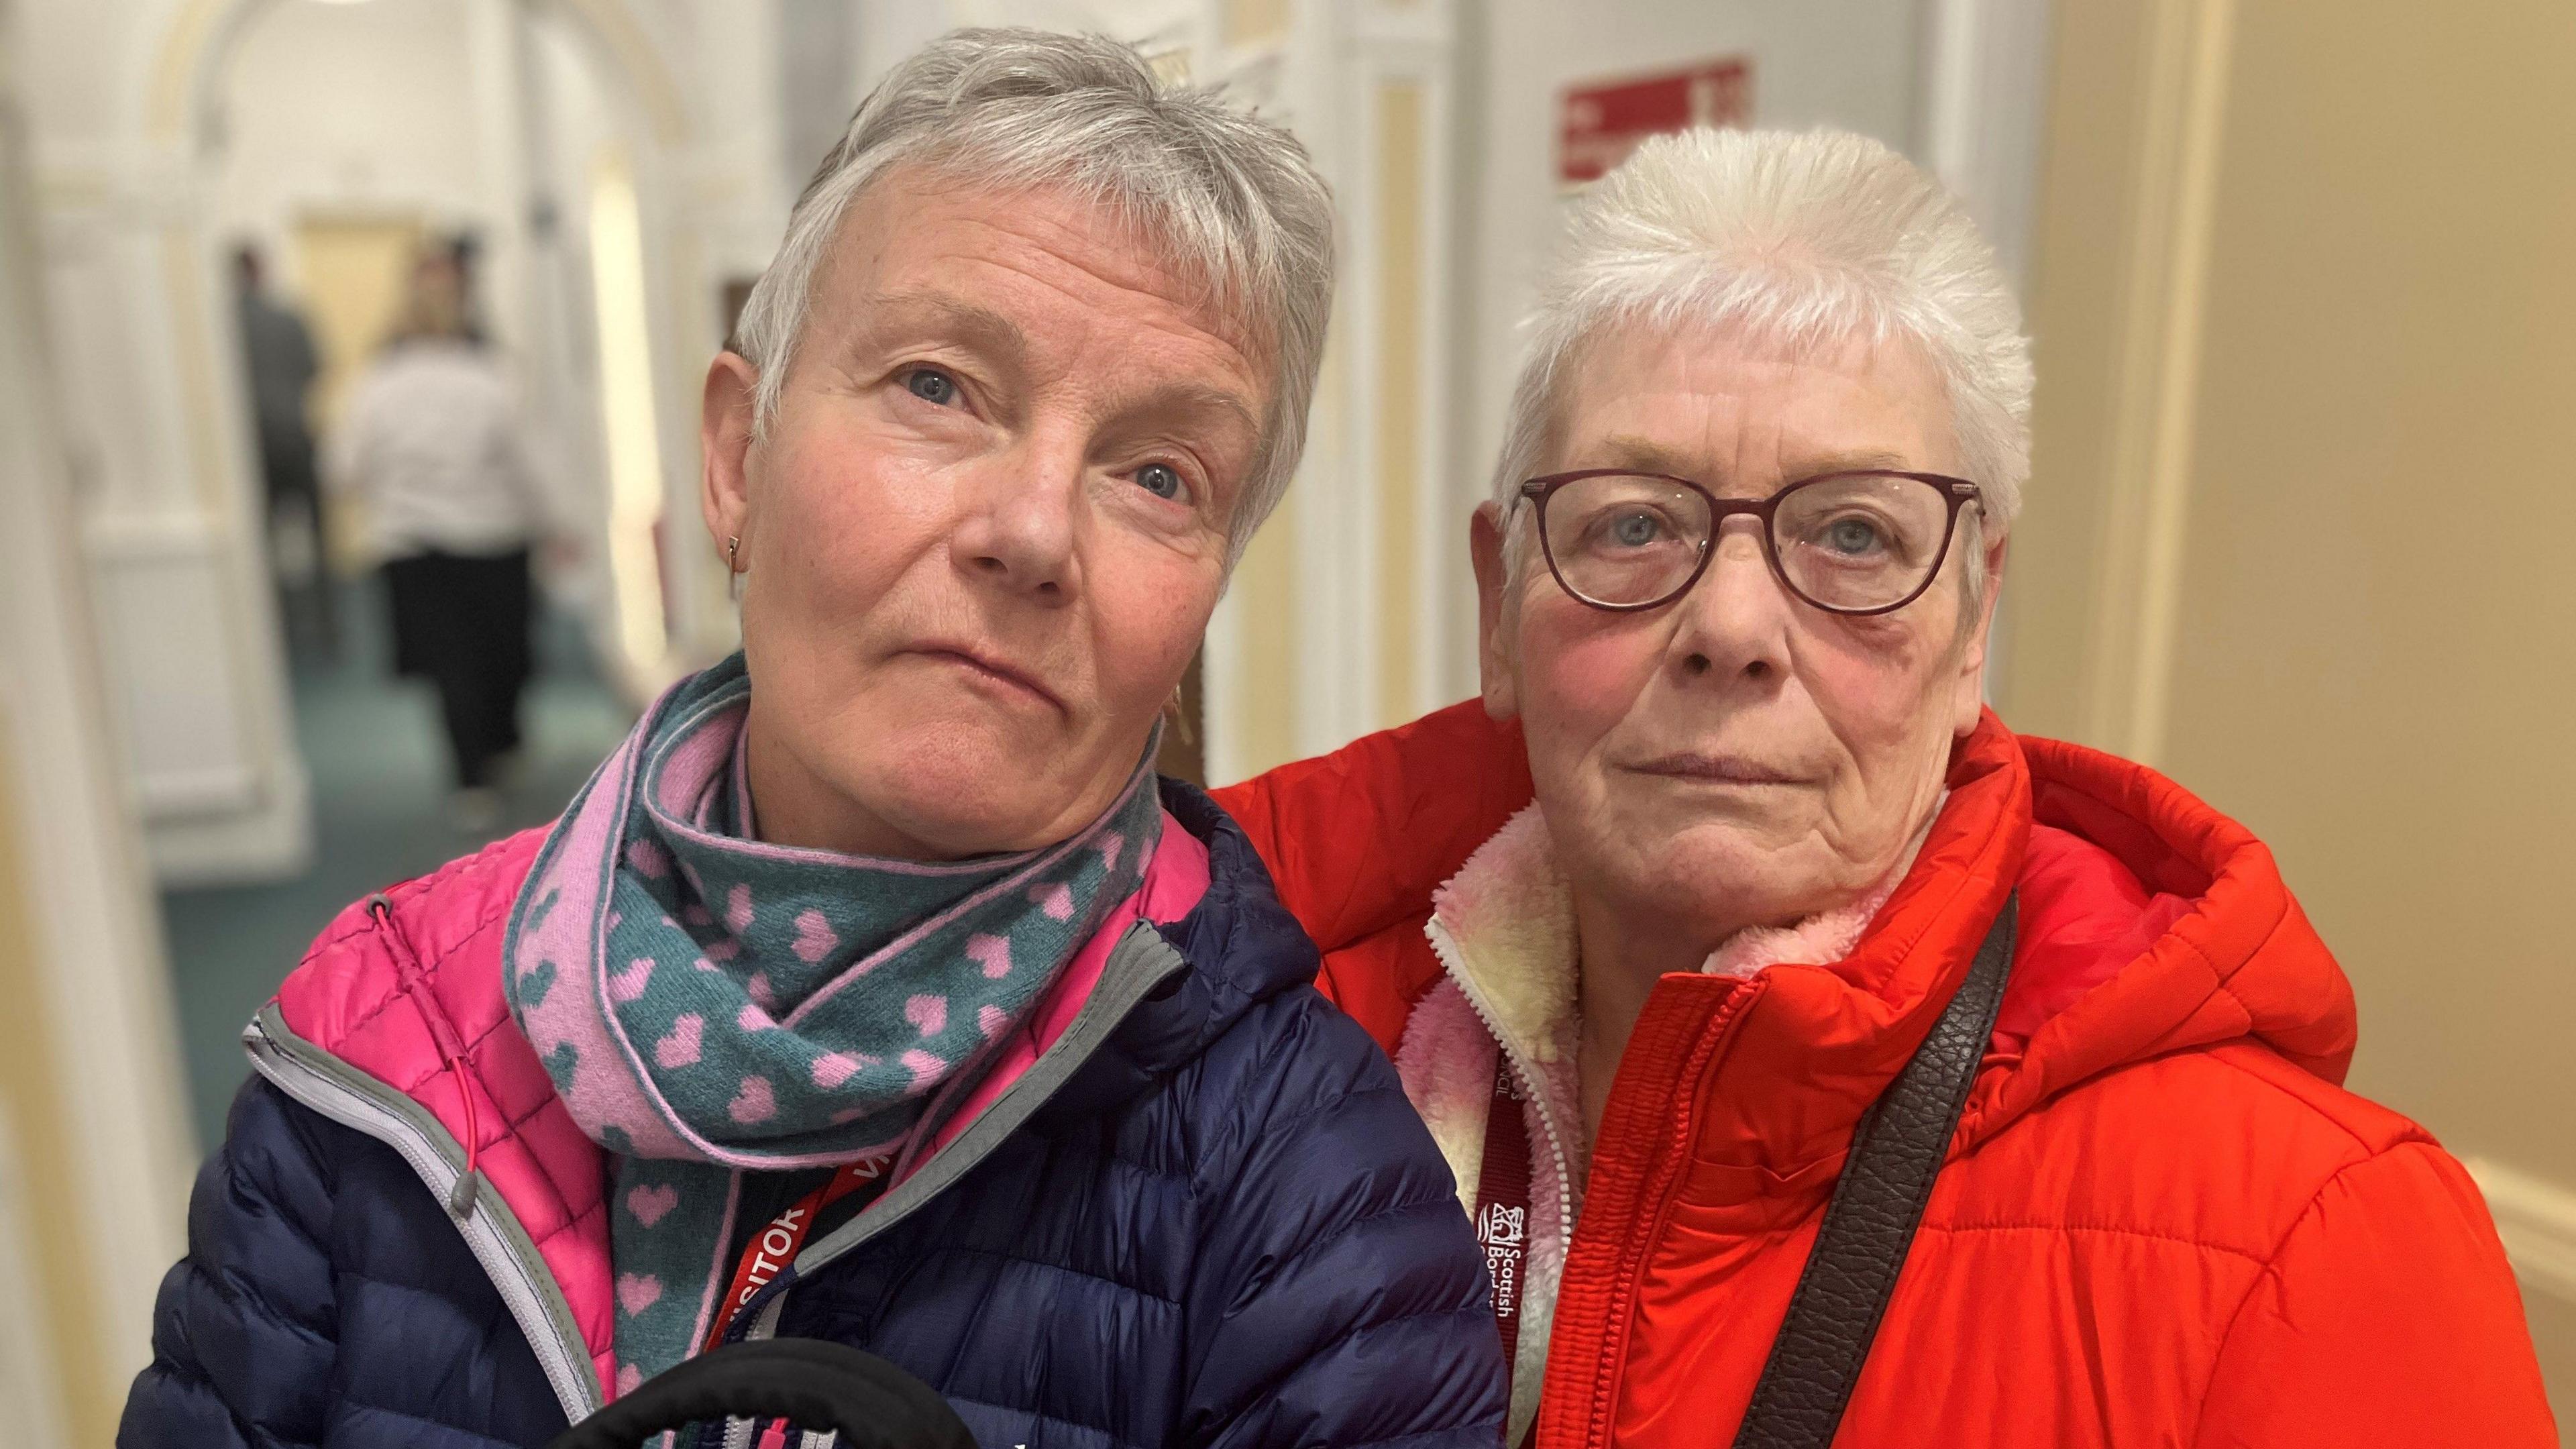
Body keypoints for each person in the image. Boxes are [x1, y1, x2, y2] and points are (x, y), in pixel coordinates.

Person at [120, 30, 1502, 1449]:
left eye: (1160, 475)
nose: (1033, 533)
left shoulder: (1318, 1214)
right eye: (938, 386)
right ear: (736, 459)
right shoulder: (373, 1045)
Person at [1217, 127, 2560, 1447]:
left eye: (1857, 532)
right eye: (1633, 521)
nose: (1731, 625)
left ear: (1975, 624)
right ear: (1500, 610)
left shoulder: (2313, 1250)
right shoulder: (1237, 1064)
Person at [327, 245, 555, 831]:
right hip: (495, 538)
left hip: (413, 545)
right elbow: (528, 462)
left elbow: (342, 470)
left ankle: (469, 778)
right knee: (501, 653)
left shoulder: (375, 386)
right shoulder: (494, 379)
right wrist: (555, 522)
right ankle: (500, 746)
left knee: (449, 665)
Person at [233, 244, 333, 655]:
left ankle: (276, 631)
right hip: (294, 438)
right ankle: (327, 628)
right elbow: (315, 369)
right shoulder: (289, 319)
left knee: (263, 540)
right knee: (317, 537)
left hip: (253, 445)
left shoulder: (225, 325)